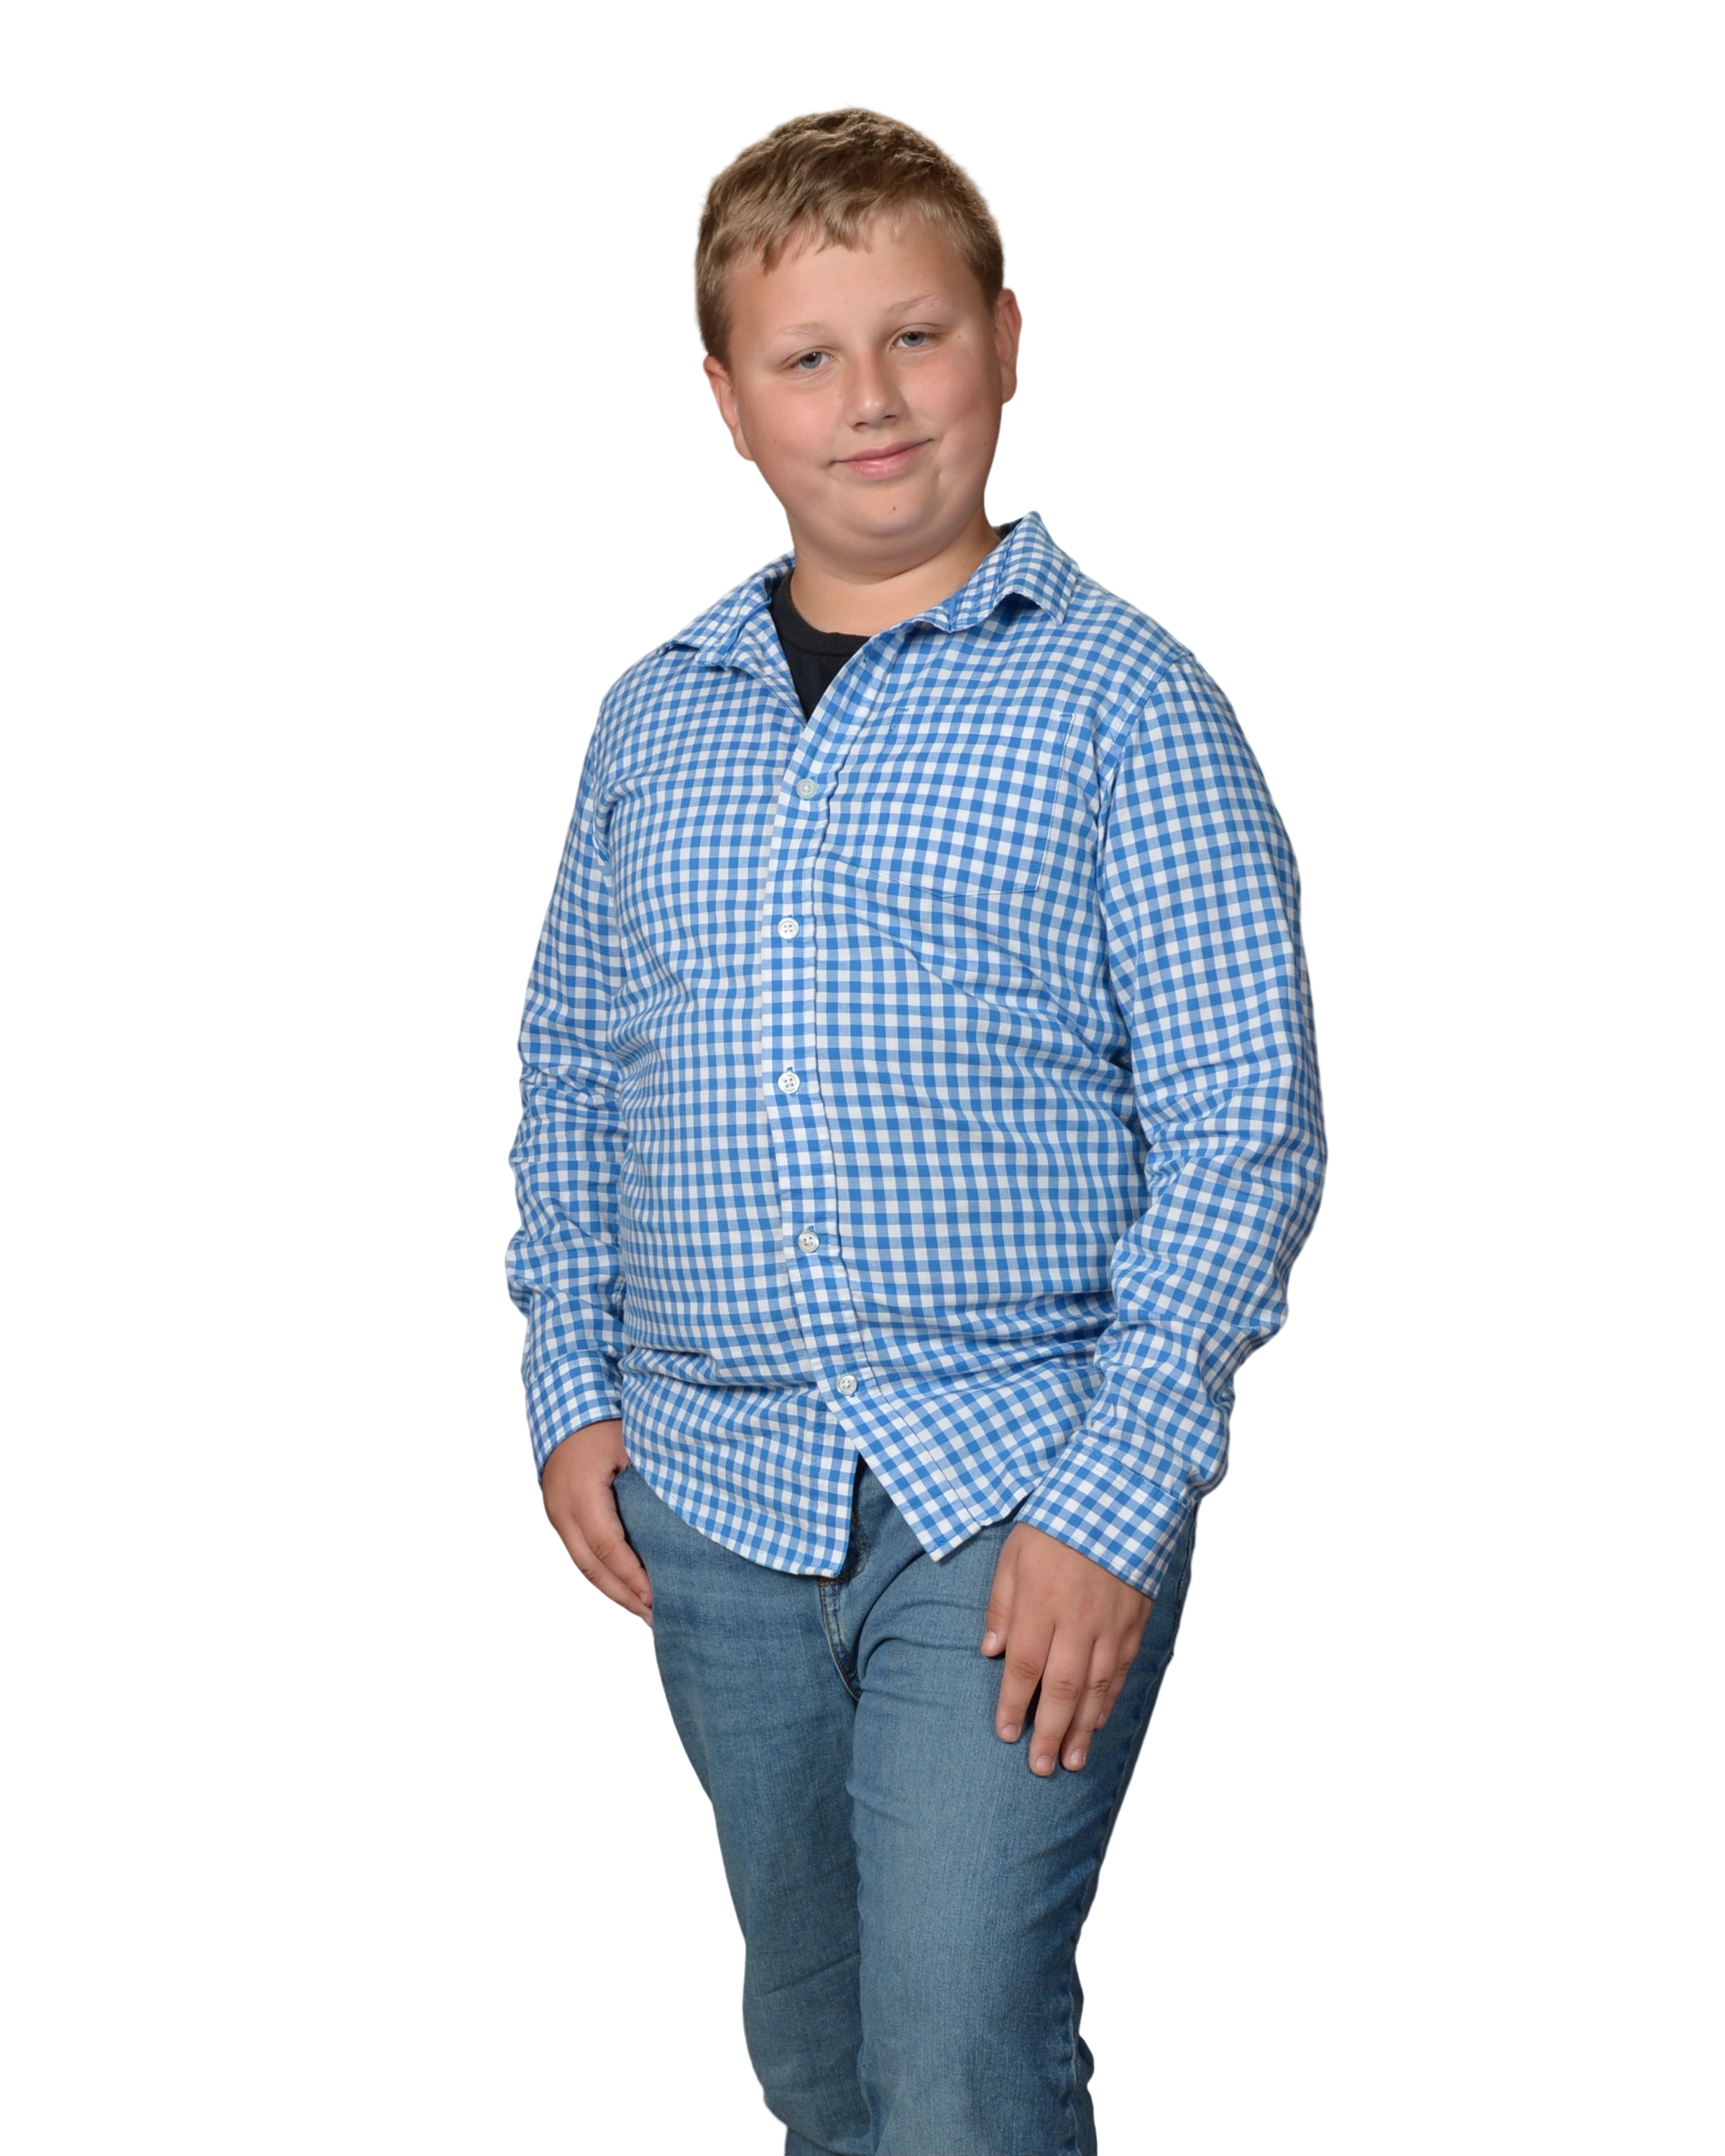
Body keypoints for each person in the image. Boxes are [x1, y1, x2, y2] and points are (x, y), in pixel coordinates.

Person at [503, 101, 1328, 2156]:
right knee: (823, 2062)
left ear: (1010, 343)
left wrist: (1113, 1500)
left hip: (1012, 1484)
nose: (868, 400)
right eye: (807, 356)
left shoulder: (1126, 701)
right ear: (728, 402)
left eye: (916, 336)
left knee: (959, 2060)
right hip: (713, 1498)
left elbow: (1246, 1121)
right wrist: (568, 1387)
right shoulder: (651, 715)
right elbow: (573, 1077)